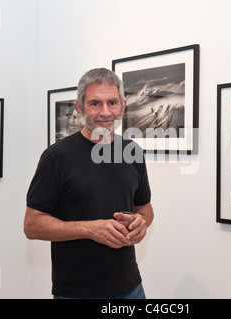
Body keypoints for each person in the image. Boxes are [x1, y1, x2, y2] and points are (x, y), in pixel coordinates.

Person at [24, 68, 154, 299]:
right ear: (80, 107)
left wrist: (142, 222)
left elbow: (144, 208)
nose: (105, 112)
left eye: (112, 103)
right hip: (77, 293)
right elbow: (32, 226)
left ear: (122, 106)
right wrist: (90, 229)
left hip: (131, 288)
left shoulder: (132, 151)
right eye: (95, 103)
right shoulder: (56, 157)